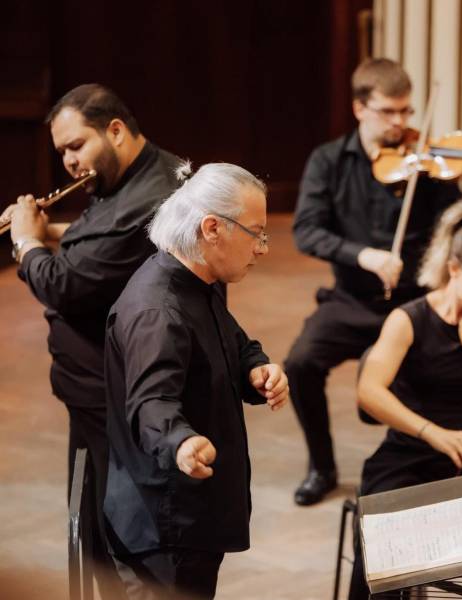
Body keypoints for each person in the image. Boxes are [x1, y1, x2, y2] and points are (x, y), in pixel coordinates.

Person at [287, 57, 462, 505]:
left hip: (416, 304)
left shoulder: (428, 163)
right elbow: (306, 230)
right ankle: (322, 465)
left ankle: (432, 453)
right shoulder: (328, 161)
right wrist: (362, 254)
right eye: (389, 112)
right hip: (352, 299)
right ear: (360, 108)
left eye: (407, 111)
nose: (402, 122)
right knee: (299, 363)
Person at [4, 83, 182, 595]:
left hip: (117, 395)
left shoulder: (151, 196)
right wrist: (50, 231)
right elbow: (99, 239)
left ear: (117, 130)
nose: (68, 162)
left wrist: (27, 241)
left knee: (118, 537)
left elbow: (66, 285)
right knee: (91, 526)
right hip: (91, 392)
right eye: (61, 152)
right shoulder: (127, 179)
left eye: (75, 146)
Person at [103, 162, 289, 599]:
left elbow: (232, 340)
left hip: (188, 516)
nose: (261, 248)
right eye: (256, 232)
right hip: (165, 530)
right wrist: (181, 442)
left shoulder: (195, 280)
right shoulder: (159, 312)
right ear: (212, 228)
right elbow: (151, 402)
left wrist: (255, 369)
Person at [347, 198, 462, 599]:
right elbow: (369, 391)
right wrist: (433, 433)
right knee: (383, 534)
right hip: (410, 451)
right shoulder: (408, 320)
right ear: (454, 269)